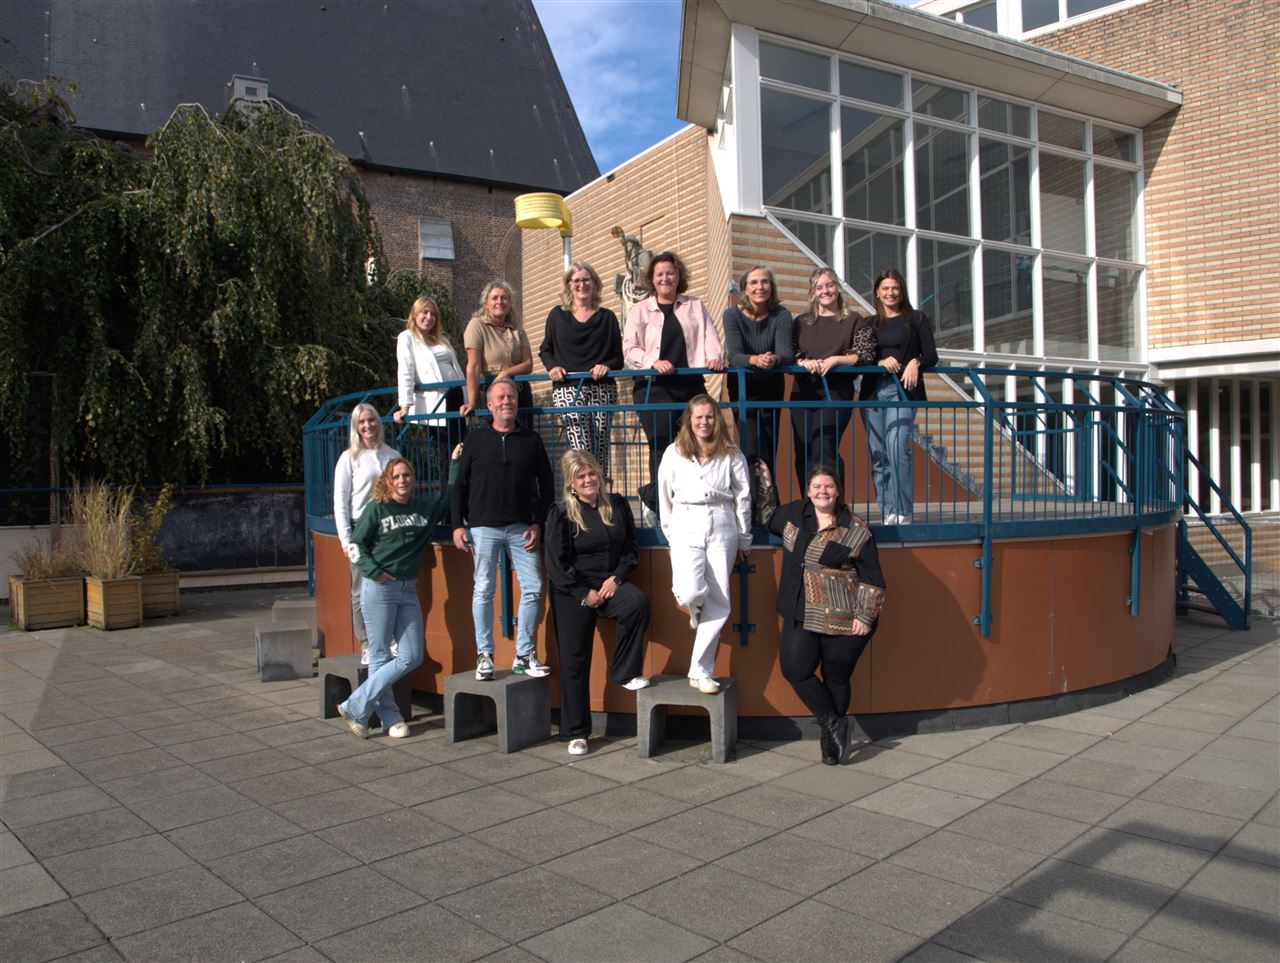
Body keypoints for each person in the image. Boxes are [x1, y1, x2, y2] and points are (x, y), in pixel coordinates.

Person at [756, 460, 886, 764]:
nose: (822, 491)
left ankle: (831, 743)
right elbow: (766, 516)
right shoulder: (794, 514)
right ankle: (833, 724)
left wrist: (864, 616)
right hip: (801, 610)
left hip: (845, 618)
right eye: (816, 486)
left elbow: (873, 578)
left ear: (838, 491)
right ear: (808, 490)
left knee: (836, 677)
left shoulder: (855, 528)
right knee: (795, 670)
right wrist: (765, 484)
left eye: (828, 486)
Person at [337, 451, 459, 738]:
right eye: (396, 476)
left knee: (412, 655)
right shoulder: (377, 508)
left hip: (407, 589)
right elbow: (356, 546)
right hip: (378, 588)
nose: (402, 480)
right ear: (388, 481)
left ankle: (355, 704)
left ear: (413, 479)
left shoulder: (422, 507)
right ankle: (391, 719)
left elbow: (448, 501)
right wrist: (374, 571)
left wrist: (454, 464)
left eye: (406, 475)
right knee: (379, 654)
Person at [544, 449, 650, 756]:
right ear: (571, 483)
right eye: (581, 476)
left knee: (637, 603)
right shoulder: (561, 513)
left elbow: (630, 548)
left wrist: (617, 578)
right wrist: (583, 593)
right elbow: (556, 564)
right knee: (575, 661)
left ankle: (624, 672)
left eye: (592, 473)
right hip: (572, 592)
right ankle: (576, 732)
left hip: (608, 586)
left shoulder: (616, 505)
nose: (588, 479)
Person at [451, 376, 555, 681]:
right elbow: (459, 486)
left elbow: (547, 485)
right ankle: (485, 655)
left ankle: (524, 655)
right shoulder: (476, 439)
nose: (507, 401)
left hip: (522, 527)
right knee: (484, 590)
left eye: (511, 396)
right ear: (489, 405)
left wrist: (538, 522)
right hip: (483, 527)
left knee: (533, 588)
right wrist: (457, 525)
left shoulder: (531, 439)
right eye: (501, 397)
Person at [658, 395, 752, 694]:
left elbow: (743, 496)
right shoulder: (673, 453)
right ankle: (694, 607)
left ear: (717, 419)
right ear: (689, 420)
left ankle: (701, 671)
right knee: (690, 591)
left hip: (722, 522)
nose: (704, 422)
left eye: (710, 416)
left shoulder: (731, 453)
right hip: (686, 520)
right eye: (699, 417)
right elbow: (664, 496)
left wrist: (744, 537)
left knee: (720, 601)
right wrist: (671, 534)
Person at [623, 252, 725, 518]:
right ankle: (659, 506)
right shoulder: (640, 309)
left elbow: (710, 336)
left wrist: (714, 356)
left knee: (701, 442)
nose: (665, 278)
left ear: (679, 276)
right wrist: (653, 361)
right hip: (653, 387)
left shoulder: (695, 305)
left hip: (690, 385)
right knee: (662, 446)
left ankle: (686, 504)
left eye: (670, 273)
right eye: (659, 274)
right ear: (652, 279)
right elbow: (629, 348)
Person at [858, 268, 938, 525]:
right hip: (873, 394)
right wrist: (879, 362)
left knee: (896, 447)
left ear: (901, 291)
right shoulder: (869, 323)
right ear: (877, 293)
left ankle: (903, 511)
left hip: (902, 391)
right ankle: (888, 511)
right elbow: (862, 357)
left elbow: (932, 355)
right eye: (885, 288)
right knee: (879, 455)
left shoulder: (916, 319)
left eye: (895, 288)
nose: (890, 293)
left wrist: (916, 361)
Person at [789, 267, 876, 491]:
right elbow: (789, 353)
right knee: (804, 450)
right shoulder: (801, 322)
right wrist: (802, 362)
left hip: (836, 392)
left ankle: (833, 504)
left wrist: (836, 360)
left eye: (829, 285)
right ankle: (810, 504)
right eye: (819, 287)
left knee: (824, 447)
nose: (825, 291)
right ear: (813, 293)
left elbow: (866, 355)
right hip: (803, 391)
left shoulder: (853, 320)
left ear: (837, 288)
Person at [539, 261, 624, 479]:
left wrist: (606, 365)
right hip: (568, 387)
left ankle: (600, 490)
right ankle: (582, 490)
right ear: (569, 285)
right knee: (580, 446)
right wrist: (552, 367)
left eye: (586, 280)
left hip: (601, 388)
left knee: (600, 446)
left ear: (594, 283)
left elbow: (618, 358)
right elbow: (545, 349)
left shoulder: (607, 317)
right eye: (576, 280)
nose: (581, 285)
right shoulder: (557, 315)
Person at [333, 404, 400, 666]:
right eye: (361, 422)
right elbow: (340, 501)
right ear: (355, 426)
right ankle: (367, 643)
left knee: (388, 585)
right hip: (360, 527)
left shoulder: (392, 455)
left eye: (371, 420)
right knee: (360, 589)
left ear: (378, 422)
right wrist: (345, 539)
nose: (367, 425)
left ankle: (389, 639)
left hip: (387, 527)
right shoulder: (348, 458)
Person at [722, 265, 794, 476]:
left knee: (769, 446)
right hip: (743, 386)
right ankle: (752, 494)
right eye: (753, 282)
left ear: (772, 286)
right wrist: (755, 359)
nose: (760, 287)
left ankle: (768, 494)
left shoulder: (781, 314)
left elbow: (786, 354)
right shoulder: (732, 315)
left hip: (771, 385)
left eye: (764, 282)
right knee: (751, 447)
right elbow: (734, 356)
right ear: (745, 288)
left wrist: (773, 359)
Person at [392, 295, 466, 489]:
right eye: (424, 312)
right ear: (415, 315)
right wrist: (405, 405)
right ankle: (448, 499)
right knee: (447, 454)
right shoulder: (407, 337)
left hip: (457, 398)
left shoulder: (441, 339)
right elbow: (406, 370)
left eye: (433, 314)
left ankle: (463, 498)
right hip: (437, 402)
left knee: (462, 450)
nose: (429, 317)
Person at [463, 279, 534, 418]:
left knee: (524, 431)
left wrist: (505, 373)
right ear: (486, 303)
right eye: (494, 298)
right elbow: (474, 366)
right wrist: (471, 402)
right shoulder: (477, 325)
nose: (499, 302)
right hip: (494, 391)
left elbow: (528, 364)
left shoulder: (517, 329)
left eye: (504, 298)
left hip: (519, 391)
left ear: (510, 303)